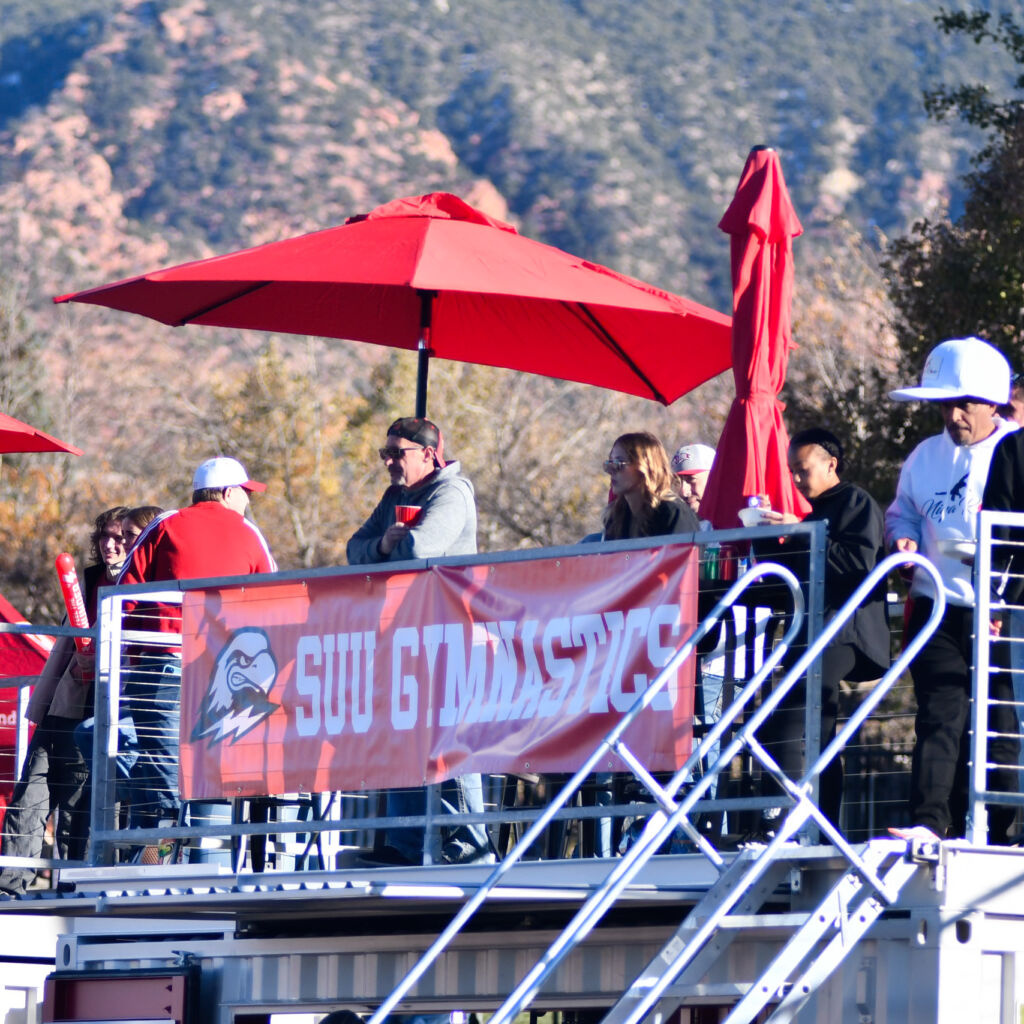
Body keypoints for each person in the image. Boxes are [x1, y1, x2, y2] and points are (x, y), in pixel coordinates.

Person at [884, 336, 1019, 844]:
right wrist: (903, 537)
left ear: (993, 402)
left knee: (999, 722)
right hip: (937, 607)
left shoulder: (1015, 451)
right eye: (946, 404)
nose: (954, 415)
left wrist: (1006, 593)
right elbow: (906, 509)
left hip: (1000, 611)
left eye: (964, 403)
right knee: (939, 716)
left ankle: (995, 831)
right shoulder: (924, 456)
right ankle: (928, 823)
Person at [347, 417, 490, 866]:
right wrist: (384, 548)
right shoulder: (395, 497)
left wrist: (392, 547)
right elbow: (354, 549)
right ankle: (407, 844)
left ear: (429, 454)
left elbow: (420, 549)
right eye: (384, 453)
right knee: (403, 737)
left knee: (453, 740)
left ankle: (471, 847)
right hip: (406, 637)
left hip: (451, 635)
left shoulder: (452, 492)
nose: (389, 461)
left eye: (398, 453)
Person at [117, 458, 276, 836]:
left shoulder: (165, 524)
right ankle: (201, 863)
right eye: (244, 493)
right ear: (226, 492)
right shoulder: (250, 534)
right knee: (209, 772)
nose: (247, 501)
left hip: (165, 662)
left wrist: (132, 652)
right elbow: (275, 601)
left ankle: (152, 864)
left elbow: (122, 595)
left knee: (160, 770)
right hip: (226, 673)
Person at [755, 428, 890, 831]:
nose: (796, 479)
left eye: (803, 470)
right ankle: (823, 825)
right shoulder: (813, 516)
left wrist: (800, 531)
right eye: (792, 471)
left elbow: (857, 564)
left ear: (831, 464)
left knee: (793, 719)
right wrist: (765, 538)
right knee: (817, 728)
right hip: (816, 631)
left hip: (845, 631)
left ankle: (786, 820)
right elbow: (791, 575)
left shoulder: (855, 503)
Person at [0, 506, 129, 895]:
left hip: (99, 713)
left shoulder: (139, 588)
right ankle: (10, 885)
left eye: (120, 537)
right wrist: (41, 705)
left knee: (78, 811)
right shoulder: (87, 583)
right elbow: (61, 650)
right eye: (105, 535)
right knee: (29, 798)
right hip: (62, 706)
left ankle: (76, 891)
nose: (110, 544)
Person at [603, 432, 700, 540]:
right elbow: (622, 557)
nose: (610, 470)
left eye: (619, 463)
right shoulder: (617, 516)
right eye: (610, 463)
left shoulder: (673, 513)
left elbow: (684, 556)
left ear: (645, 466)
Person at [670, 443, 716, 520]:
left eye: (691, 479)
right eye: (677, 482)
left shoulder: (738, 522)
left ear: (714, 477)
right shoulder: (673, 525)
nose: (683, 492)